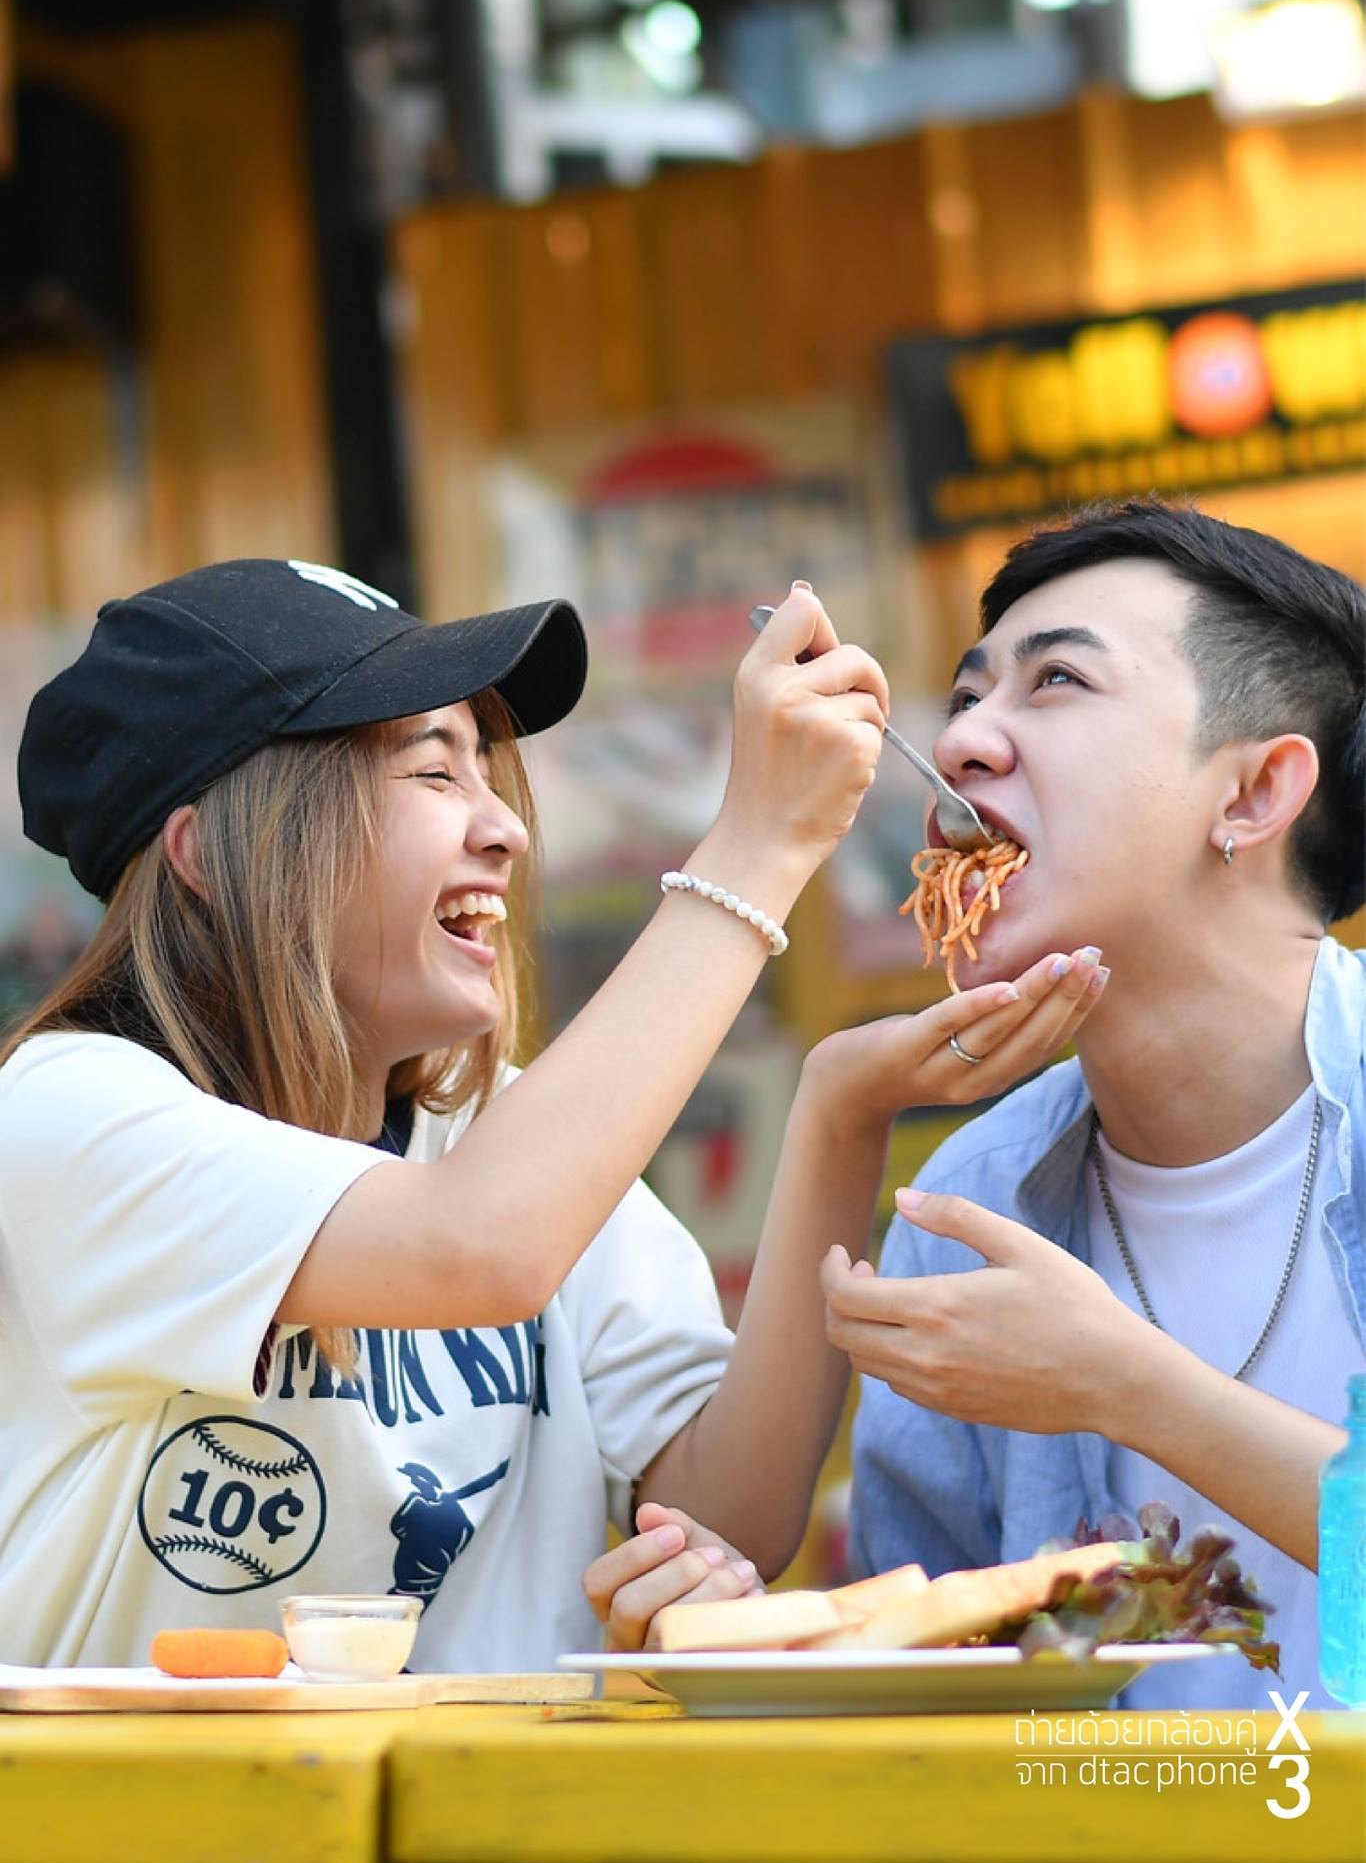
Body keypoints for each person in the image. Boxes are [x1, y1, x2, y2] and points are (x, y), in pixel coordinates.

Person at [0, 557, 1100, 1671]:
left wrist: (839, 1112)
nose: (505, 830)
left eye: (486, 771)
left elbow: (731, 1513)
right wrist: (758, 845)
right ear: (206, 854)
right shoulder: (65, 1111)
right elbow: (476, 1246)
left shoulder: (505, 1134)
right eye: (435, 772)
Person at [829, 499, 1365, 1709]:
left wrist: (1127, 1383)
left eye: (1057, 680)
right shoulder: (968, 1203)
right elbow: (928, 1700)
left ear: (1254, 792)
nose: (963, 741)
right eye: (967, 696)